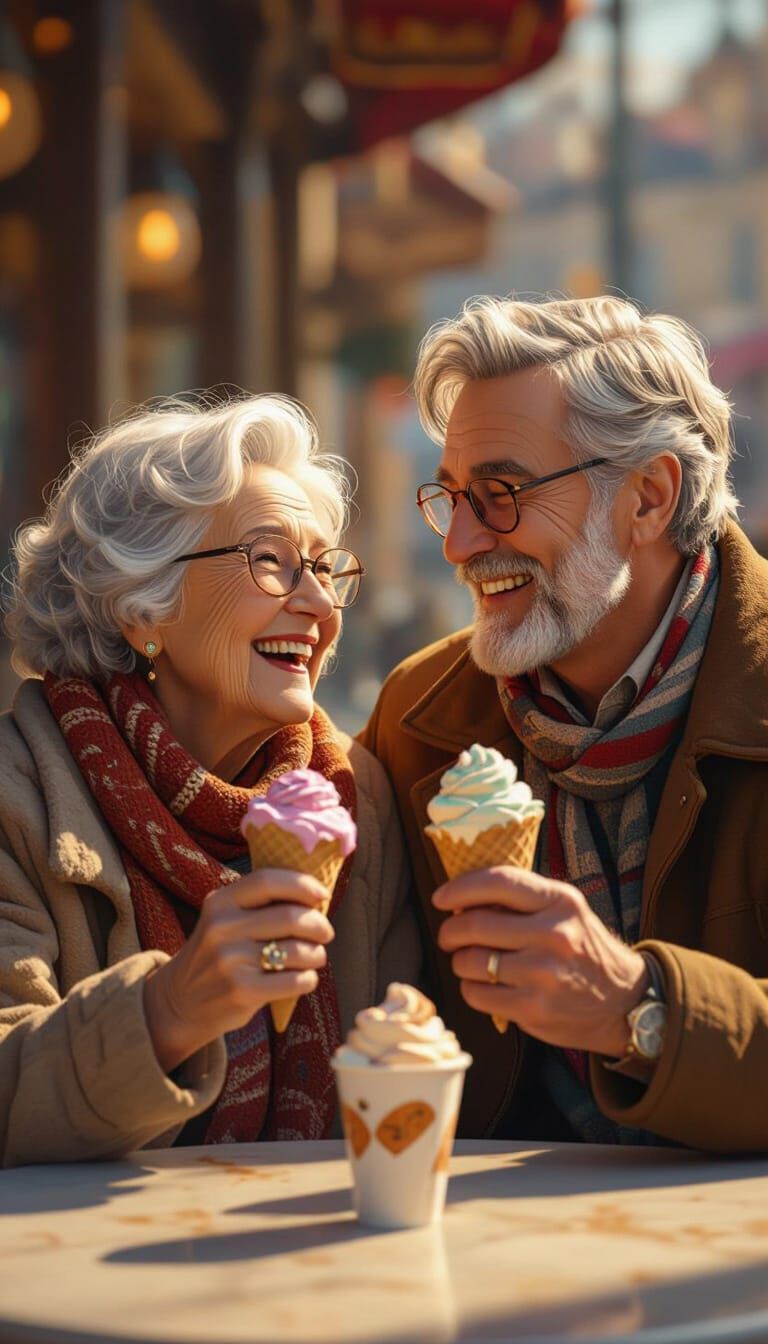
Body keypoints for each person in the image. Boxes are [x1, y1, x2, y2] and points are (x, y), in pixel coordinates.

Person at [360, 294, 768, 1153]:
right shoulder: (417, 718)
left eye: (502, 493)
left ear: (649, 498)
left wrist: (637, 1009)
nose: (461, 543)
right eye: (452, 497)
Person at [0, 394, 420, 1167]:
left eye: (324, 567)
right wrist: (166, 1011)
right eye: (271, 562)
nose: (321, 603)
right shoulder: (18, 798)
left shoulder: (357, 795)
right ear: (139, 608)